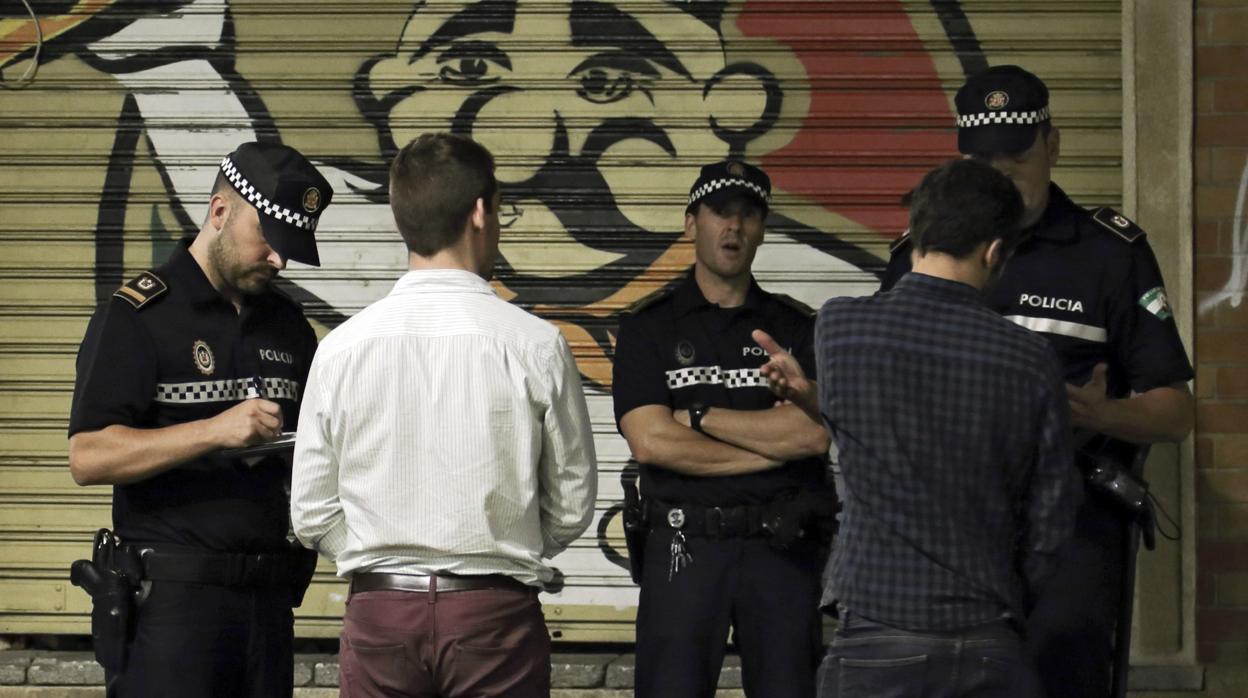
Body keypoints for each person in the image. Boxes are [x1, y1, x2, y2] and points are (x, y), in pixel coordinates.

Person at [881, 65, 1196, 697]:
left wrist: (1097, 416)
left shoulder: (1111, 252)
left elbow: (1176, 412)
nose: (1001, 175)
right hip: (951, 517)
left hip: (1071, 513)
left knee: (1058, 664)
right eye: (983, 159)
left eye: (1017, 157)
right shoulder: (920, 251)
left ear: (1053, 145)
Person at [758, 157, 1081, 697]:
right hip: (989, 639)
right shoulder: (1032, 359)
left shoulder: (840, 327)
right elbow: (1051, 521)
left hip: (877, 638)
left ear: (914, 233)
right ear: (995, 250)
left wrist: (810, 397)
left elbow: (876, 430)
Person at [290, 132, 598, 698]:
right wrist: (503, 545)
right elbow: (573, 501)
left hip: (380, 613)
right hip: (494, 618)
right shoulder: (534, 344)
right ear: (481, 212)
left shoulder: (342, 348)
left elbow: (311, 513)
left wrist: (379, 554)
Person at [67, 141, 333, 697]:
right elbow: (88, 456)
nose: (279, 261)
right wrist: (214, 430)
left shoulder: (287, 326)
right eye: (270, 240)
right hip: (172, 609)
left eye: (290, 248)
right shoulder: (137, 317)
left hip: (267, 603)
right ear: (220, 212)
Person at [611, 160, 835, 698]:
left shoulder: (797, 327)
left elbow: (814, 435)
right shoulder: (649, 326)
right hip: (683, 547)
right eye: (719, 212)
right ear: (692, 224)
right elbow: (651, 440)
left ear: (762, 229)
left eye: (747, 215)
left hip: (782, 552)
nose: (732, 227)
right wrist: (773, 443)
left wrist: (698, 416)